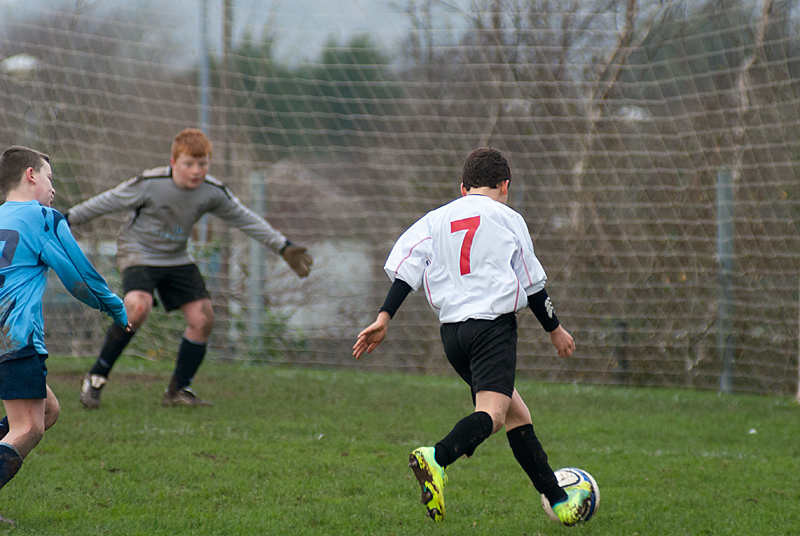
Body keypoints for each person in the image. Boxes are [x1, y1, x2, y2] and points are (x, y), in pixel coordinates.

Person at [353, 147, 590, 526]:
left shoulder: (435, 219)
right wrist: (555, 329)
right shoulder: (508, 218)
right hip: (492, 328)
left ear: (463, 188)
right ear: (505, 186)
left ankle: (560, 500)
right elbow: (532, 285)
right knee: (492, 415)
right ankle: (437, 457)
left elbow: (406, 269)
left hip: (453, 335)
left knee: (516, 415)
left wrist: (384, 317)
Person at [67, 128, 312, 409]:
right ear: (173, 162)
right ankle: (96, 378)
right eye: (189, 164)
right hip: (138, 253)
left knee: (203, 318)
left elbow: (245, 218)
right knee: (137, 308)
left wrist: (283, 246)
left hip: (176, 257)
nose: (196, 171)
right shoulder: (150, 184)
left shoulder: (212, 191)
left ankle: (178, 391)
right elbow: (105, 202)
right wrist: (65, 219)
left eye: (202, 164)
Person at [0, 146, 129, 522]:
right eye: (49, 177)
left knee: (48, 409)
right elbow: (79, 277)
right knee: (28, 427)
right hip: (13, 338)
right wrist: (115, 308)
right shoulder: (41, 217)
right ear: (30, 175)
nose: (53, 188)